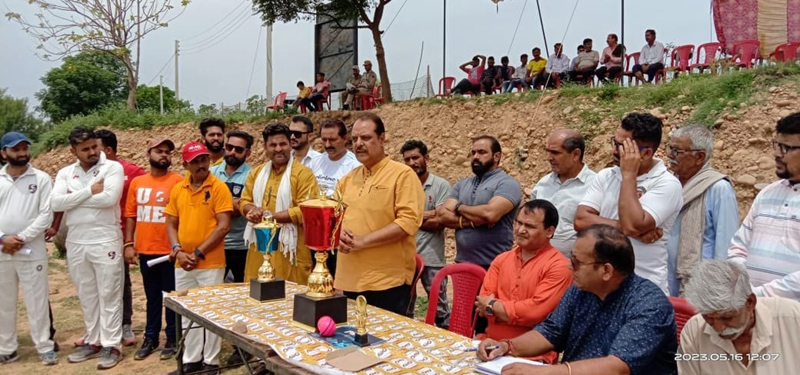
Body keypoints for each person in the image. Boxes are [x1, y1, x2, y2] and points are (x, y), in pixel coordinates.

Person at [477, 224, 678, 375]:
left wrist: (543, 372)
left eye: (576, 262)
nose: (569, 267)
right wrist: (507, 347)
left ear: (606, 270)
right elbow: (551, 331)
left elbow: (617, 366)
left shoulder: (648, 304)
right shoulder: (581, 288)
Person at [575, 113, 683, 294]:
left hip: (643, 287)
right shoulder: (606, 175)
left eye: (623, 147)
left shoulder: (667, 184)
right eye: (614, 143)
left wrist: (629, 175)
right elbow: (580, 220)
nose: (614, 151)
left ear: (647, 153)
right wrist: (623, 229)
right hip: (601, 285)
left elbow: (633, 224)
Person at [335, 113, 425, 315]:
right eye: (355, 139)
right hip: (350, 279)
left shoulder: (402, 175)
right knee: (354, 341)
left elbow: (408, 222)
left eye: (365, 138)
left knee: (385, 343)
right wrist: (337, 235)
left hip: (387, 282)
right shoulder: (347, 179)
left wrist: (363, 241)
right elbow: (334, 219)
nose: (358, 144)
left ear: (382, 139)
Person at [51, 127, 125, 369]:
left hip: (105, 240)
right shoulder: (65, 172)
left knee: (109, 293)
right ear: (73, 151)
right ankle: (93, 341)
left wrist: (74, 198)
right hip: (76, 241)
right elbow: (55, 202)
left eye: (95, 146)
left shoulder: (112, 167)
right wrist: (88, 192)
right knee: (87, 294)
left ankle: (112, 344)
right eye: (86, 149)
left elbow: (108, 199)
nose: (93, 152)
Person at [476, 200, 571, 365]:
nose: (520, 230)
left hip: (533, 356)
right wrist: (503, 310)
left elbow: (535, 313)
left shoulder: (559, 266)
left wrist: (493, 307)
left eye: (530, 226)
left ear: (549, 231)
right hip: (489, 346)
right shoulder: (501, 259)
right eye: (518, 223)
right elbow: (482, 304)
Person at [165, 141, 232, 375]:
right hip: (182, 263)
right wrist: (177, 250)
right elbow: (171, 223)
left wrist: (197, 253)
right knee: (187, 311)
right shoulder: (178, 189)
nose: (201, 164)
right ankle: (191, 361)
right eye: (195, 161)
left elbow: (223, 226)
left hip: (209, 262)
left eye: (204, 159)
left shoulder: (219, 188)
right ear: (185, 164)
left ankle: (211, 363)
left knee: (211, 312)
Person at [680, 260, 800, 375]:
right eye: (708, 318)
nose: (718, 328)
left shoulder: (793, 319)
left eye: (726, 318)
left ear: (750, 302)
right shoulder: (694, 331)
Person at [123, 138, 184, 361]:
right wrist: (129, 243)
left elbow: (182, 217)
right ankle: (150, 338)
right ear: (149, 153)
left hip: (169, 251)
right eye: (159, 151)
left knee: (171, 296)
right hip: (146, 250)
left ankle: (172, 337)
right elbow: (130, 215)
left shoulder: (178, 181)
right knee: (151, 297)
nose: (164, 155)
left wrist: (177, 246)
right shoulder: (137, 183)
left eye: (168, 152)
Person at [728, 112, 800, 300]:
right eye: (777, 145)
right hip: (753, 312)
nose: (777, 154)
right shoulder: (767, 194)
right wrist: (745, 287)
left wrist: (759, 294)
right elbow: (738, 248)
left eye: (786, 148)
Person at [0, 132, 57, 366]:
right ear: (4, 153)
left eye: (25, 148)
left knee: (37, 300)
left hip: (31, 250)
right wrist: (3, 239)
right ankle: (7, 348)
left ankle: (44, 346)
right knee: (4, 302)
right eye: (16, 149)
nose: (22, 153)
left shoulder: (42, 178)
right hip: (2, 251)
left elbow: (46, 214)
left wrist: (21, 238)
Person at [240, 123, 319, 285]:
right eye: (273, 145)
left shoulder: (303, 174)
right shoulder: (257, 173)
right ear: (265, 147)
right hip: (259, 246)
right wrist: (252, 210)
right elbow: (244, 201)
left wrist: (269, 219)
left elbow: (306, 209)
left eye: (283, 144)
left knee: (290, 301)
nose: (278, 149)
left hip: (290, 249)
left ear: (290, 145)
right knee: (257, 294)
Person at [665, 125, 739, 297]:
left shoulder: (718, 188)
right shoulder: (668, 184)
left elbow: (726, 243)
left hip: (699, 284)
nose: (669, 155)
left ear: (699, 157)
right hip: (664, 278)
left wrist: (718, 288)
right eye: (670, 148)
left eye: (677, 151)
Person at [437, 136, 522, 270]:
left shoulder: (507, 184)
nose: (476, 157)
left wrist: (458, 207)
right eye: (473, 153)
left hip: (495, 266)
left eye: (482, 152)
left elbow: (489, 214)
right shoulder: (462, 184)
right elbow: (441, 215)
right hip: (462, 264)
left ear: (496, 156)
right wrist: (472, 221)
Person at [96, 129, 146, 348]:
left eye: (95, 149)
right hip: (97, 234)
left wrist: (133, 239)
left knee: (121, 280)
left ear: (108, 150)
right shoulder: (90, 173)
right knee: (97, 282)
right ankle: (98, 327)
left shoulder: (133, 172)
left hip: (122, 235)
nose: (91, 154)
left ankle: (124, 323)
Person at [401, 140, 451, 327]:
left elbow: (440, 221)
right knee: (406, 307)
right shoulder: (403, 184)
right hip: (405, 257)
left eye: (416, 157)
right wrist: (428, 214)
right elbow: (393, 217)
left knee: (440, 308)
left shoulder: (440, 185)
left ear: (426, 158)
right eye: (407, 160)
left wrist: (409, 219)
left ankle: (447, 342)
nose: (412, 163)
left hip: (432, 257)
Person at [530, 129, 596, 256]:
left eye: (555, 152)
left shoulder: (595, 186)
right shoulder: (543, 184)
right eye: (548, 152)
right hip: (538, 262)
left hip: (576, 267)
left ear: (575, 154)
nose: (549, 158)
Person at [210, 131, 254, 284]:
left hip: (242, 246)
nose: (232, 152)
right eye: (229, 147)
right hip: (215, 244)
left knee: (242, 292)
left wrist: (220, 206)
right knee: (214, 292)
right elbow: (204, 207)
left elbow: (247, 207)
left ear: (247, 152)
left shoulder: (252, 176)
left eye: (239, 149)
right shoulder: (211, 173)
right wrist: (234, 204)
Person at [308, 118, 361, 196]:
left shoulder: (355, 167)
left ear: (345, 138)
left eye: (332, 140)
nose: (327, 145)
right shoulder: (314, 162)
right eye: (324, 139)